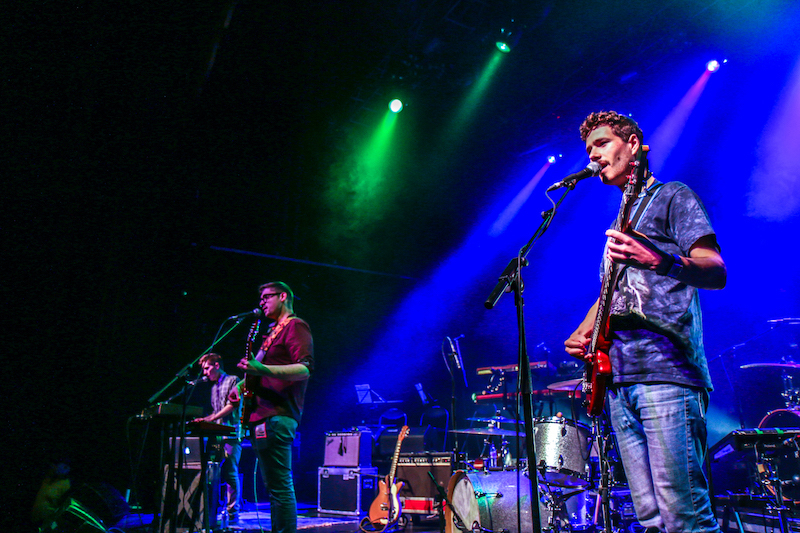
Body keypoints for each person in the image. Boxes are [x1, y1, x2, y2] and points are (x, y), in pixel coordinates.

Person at [564, 111, 726, 533]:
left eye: (602, 144)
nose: (593, 155)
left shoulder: (672, 196)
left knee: (684, 514)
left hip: (667, 371)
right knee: (650, 518)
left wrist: (660, 260)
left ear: (633, 144)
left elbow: (715, 270)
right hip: (619, 378)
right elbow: (612, 291)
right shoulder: (620, 220)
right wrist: (584, 331)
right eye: (588, 149)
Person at [233, 281, 313, 533]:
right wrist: (241, 386)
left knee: (280, 487)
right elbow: (256, 371)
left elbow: (304, 369)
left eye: (267, 297)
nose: (262, 302)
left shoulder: (295, 326)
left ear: (283, 296)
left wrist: (263, 369)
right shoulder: (272, 333)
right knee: (274, 487)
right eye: (261, 298)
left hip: (277, 416)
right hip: (263, 416)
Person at [193, 352, 242, 523]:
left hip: (231, 434)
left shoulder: (233, 380)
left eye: (207, 368)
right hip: (218, 435)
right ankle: (212, 510)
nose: (205, 373)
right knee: (212, 471)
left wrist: (211, 418)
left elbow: (232, 405)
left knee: (229, 471)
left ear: (217, 365)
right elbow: (217, 412)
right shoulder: (213, 388)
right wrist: (204, 420)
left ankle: (232, 512)